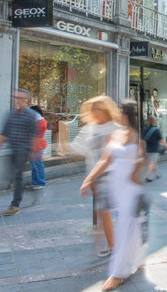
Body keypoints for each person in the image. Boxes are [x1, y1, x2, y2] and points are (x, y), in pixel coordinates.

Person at [80, 100, 147, 291]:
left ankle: (118, 274)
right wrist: (89, 179)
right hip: (115, 187)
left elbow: (138, 167)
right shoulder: (115, 134)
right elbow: (104, 159)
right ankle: (138, 259)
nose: (118, 114)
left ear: (128, 115)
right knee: (130, 228)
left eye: (122, 112)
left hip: (131, 190)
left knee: (126, 229)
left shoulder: (137, 137)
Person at [71, 96, 121, 258]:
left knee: (108, 211)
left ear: (106, 110)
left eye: (98, 108)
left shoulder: (115, 127)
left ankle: (118, 246)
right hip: (95, 176)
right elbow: (78, 148)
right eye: (93, 109)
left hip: (112, 174)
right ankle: (114, 245)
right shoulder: (89, 128)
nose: (95, 112)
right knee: (104, 211)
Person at [0, 89, 38, 216]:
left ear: (25, 100)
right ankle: (20, 190)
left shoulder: (30, 115)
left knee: (17, 174)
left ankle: (15, 205)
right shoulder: (10, 114)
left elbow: (33, 135)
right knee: (13, 175)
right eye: (15, 97)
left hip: (23, 149)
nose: (16, 99)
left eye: (19, 97)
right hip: (13, 148)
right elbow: (4, 132)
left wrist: (32, 151)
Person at [142, 116, 167, 182]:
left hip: (147, 149)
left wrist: (142, 148)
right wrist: (166, 146)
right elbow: (161, 140)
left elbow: (142, 140)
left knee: (153, 162)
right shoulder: (156, 130)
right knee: (152, 163)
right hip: (154, 149)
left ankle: (157, 174)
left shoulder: (145, 129)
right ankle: (147, 177)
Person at [29, 105, 47, 190]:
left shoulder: (39, 121)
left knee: (37, 165)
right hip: (35, 145)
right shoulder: (38, 120)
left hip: (37, 146)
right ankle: (36, 182)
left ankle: (41, 182)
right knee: (34, 165)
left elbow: (35, 133)